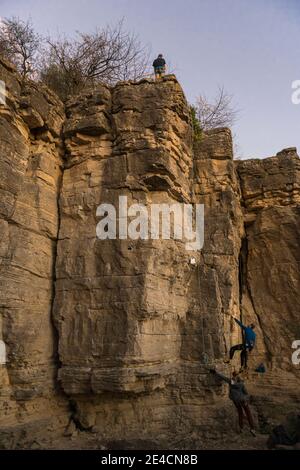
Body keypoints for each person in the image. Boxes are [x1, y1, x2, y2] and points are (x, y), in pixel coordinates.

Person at [210, 368, 256, 436]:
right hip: (242, 400)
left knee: (240, 413)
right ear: (238, 377)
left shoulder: (231, 382)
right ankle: (252, 429)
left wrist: (215, 372)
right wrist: (246, 400)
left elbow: (223, 377)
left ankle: (241, 428)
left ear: (233, 376)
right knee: (248, 413)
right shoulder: (241, 384)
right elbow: (246, 393)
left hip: (236, 400)